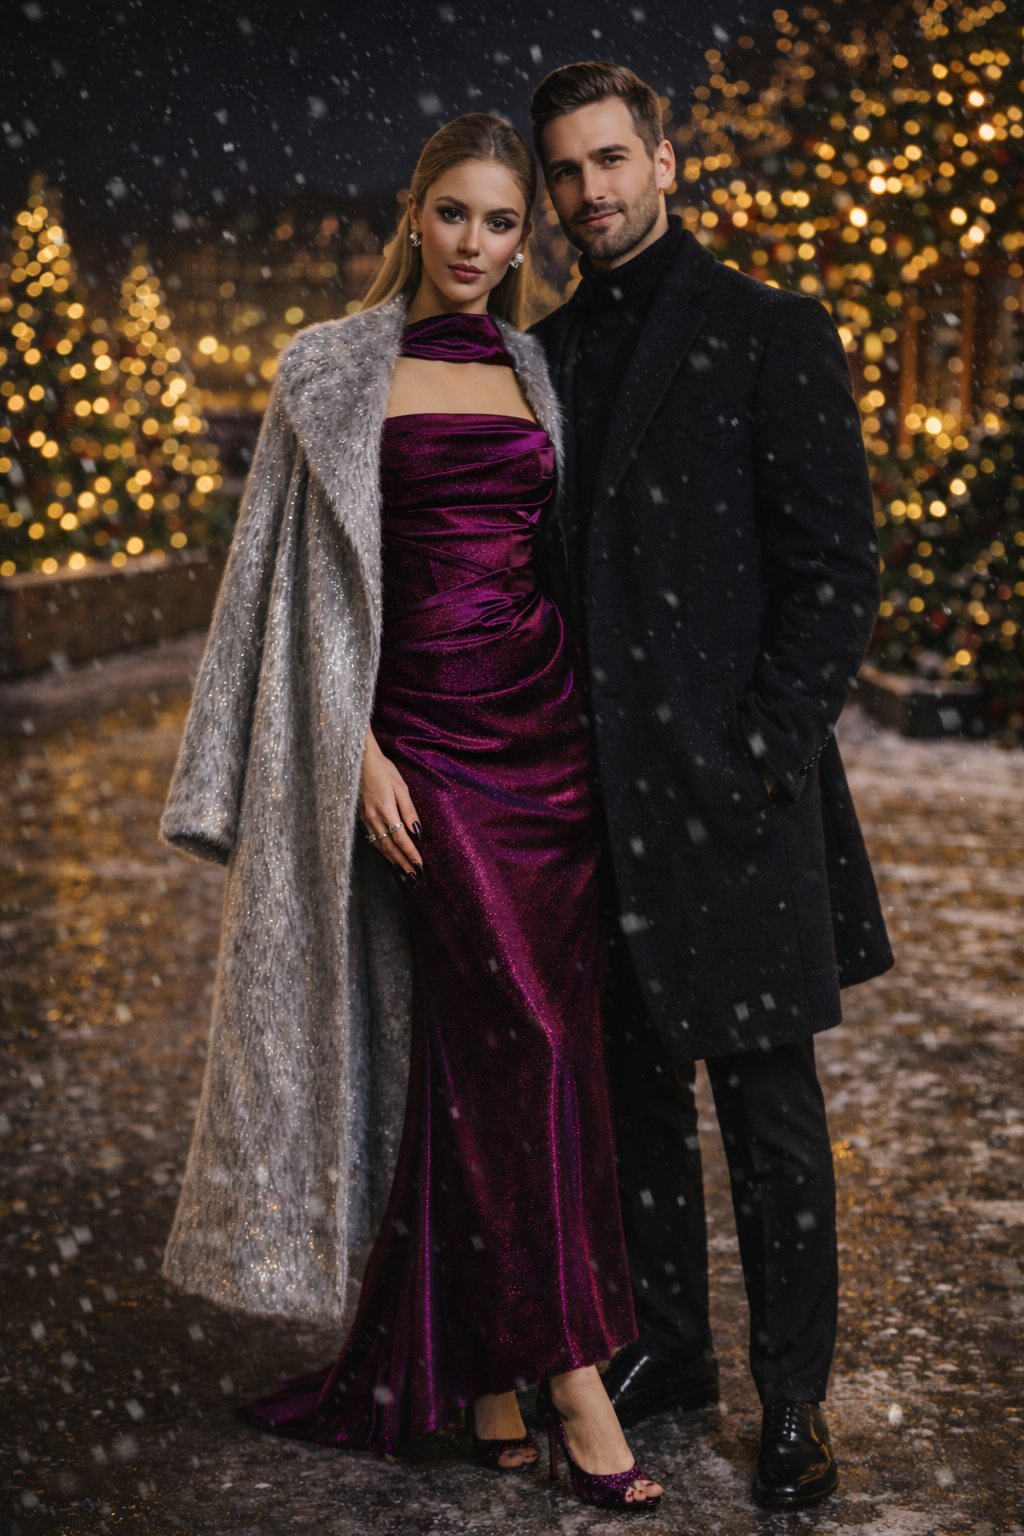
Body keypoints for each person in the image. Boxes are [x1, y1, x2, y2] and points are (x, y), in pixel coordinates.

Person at [160, 113, 662, 1511]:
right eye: (455, 214)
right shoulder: (331, 365)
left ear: (524, 239)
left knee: (498, 1054)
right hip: (422, 751)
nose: (476, 246)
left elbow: (563, 564)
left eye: (504, 224)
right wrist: (354, 746)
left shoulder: (534, 368)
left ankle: (491, 1374)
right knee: (523, 1037)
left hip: (546, 748)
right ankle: (570, 1372)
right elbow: (275, 590)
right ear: (418, 211)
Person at [528, 62, 894, 1509]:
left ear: (665, 159)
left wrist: (760, 751)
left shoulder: (768, 331)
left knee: (770, 1118)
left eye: (611, 159)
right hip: (597, 809)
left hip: (736, 803)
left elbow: (835, 574)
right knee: (633, 1106)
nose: (589, 193)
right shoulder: (541, 357)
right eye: (565, 171)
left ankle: (793, 1398)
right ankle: (669, 1351)